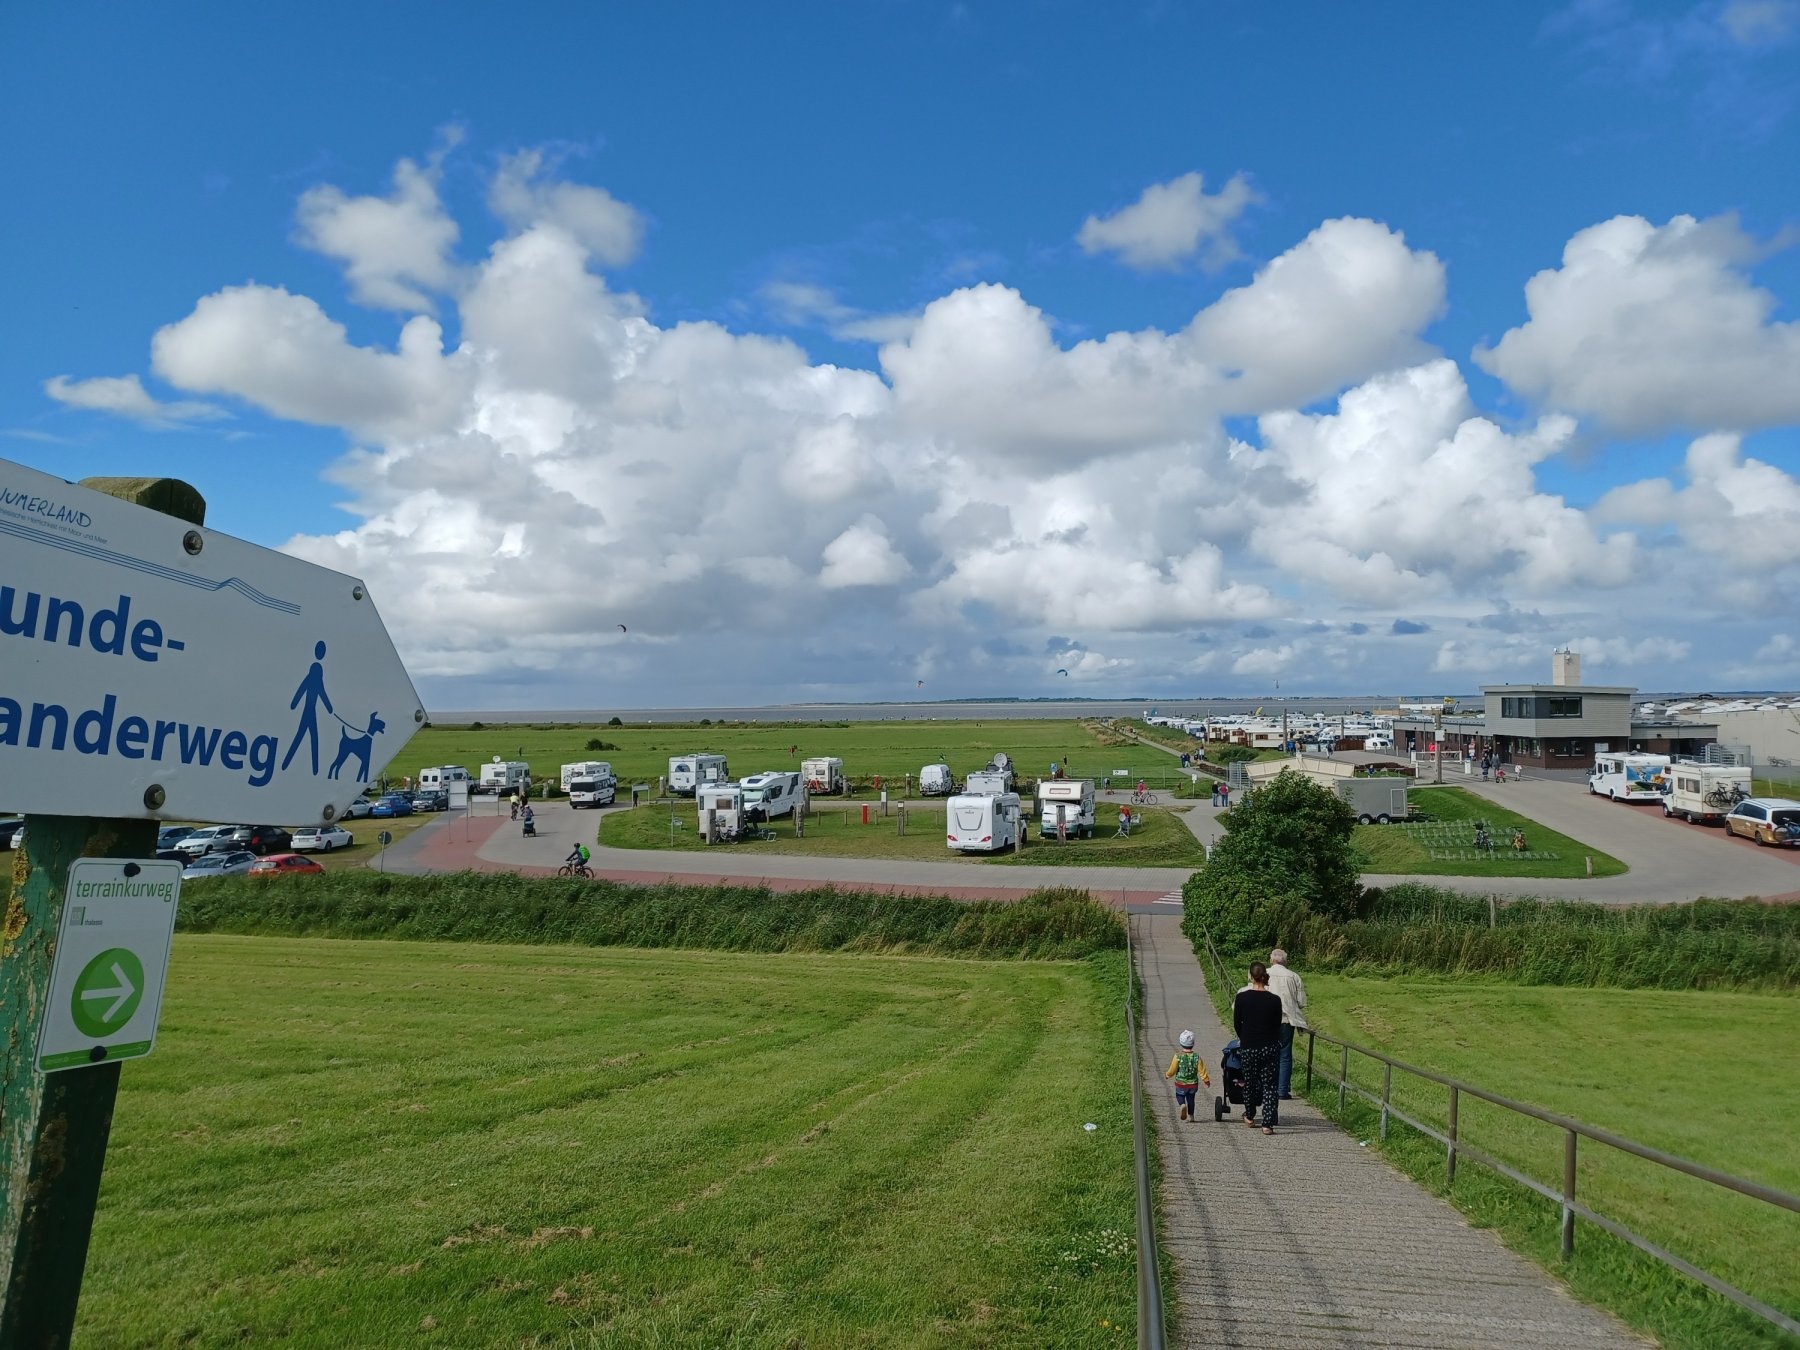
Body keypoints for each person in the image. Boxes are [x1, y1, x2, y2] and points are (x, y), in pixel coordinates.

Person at [1233, 962, 1284, 1134]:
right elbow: (1277, 1025)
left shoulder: (1242, 998)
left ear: (1250, 976)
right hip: (1269, 1046)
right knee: (1270, 1085)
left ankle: (1249, 1114)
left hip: (1249, 1045)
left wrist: (1244, 1037)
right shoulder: (1275, 1000)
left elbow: (1237, 1023)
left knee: (1250, 1082)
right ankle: (1267, 1124)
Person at [1266, 948, 1308, 1099]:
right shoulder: (1294, 976)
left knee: (1268, 1053)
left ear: (1272, 960)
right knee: (1285, 1054)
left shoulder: (1265, 974)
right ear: (1285, 961)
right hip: (1286, 1020)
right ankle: (1282, 1090)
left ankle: (1267, 1087)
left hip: (1267, 1020)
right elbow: (1302, 1002)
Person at [1164, 1029, 1212, 1122]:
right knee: (1191, 1099)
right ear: (1193, 1043)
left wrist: (1168, 1075)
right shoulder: (1196, 1057)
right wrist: (1206, 1080)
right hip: (1193, 1084)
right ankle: (1191, 1116)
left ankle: (1182, 1104)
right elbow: (1202, 1070)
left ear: (1181, 1042)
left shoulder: (1178, 1056)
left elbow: (1172, 1069)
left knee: (1179, 1095)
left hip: (1180, 1083)